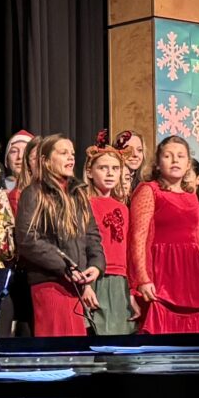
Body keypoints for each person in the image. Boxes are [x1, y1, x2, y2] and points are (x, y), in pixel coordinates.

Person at [12, 133, 99, 334]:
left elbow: (92, 234)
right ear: (45, 160)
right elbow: (28, 239)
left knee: (75, 345)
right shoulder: (34, 193)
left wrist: (96, 265)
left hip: (75, 284)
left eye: (72, 154)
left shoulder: (78, 194)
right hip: (50, 283)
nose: (70, 158)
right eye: (63, 153)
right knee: (59, 342)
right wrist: (65, 266)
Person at [128, 135, 199, 332]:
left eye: (180, 156)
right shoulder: (150, 191)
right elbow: (138, 237)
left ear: (188, 164)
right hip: (161, 275)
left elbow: (197, 243)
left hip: (190, 278)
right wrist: (143, 279)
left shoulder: (191, 197)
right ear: (158, 164)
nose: (175, 160)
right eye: (168, 156)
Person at [84, 140, 135, 332]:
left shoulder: (123, 208)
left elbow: (127, 249)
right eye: (103, 168)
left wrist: (132, 291)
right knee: (99, 332)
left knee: (120, 334)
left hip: (121, 280)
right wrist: (86, 285)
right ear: (90, 172)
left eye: (115, 168)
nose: (110, 173)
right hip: (97, 277)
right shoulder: (84, 204)